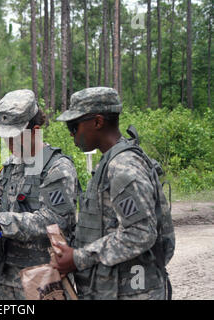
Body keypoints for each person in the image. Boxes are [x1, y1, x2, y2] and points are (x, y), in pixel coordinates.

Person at [52, 87, 175, 300]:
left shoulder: (123, 167)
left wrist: (79, 258)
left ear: (97, 122)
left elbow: (140, 233)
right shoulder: (110, 162)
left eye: (74, 126)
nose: (72, 134)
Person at [0, 89, 79, 300]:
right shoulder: (11, 165)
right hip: (8, 274)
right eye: (5, 138)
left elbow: (56, 220)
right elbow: (1, 205)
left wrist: (1, 220)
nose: (8, 144)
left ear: (36, 131)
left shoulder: (57, 168)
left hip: (43, 275)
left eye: (14, 138)